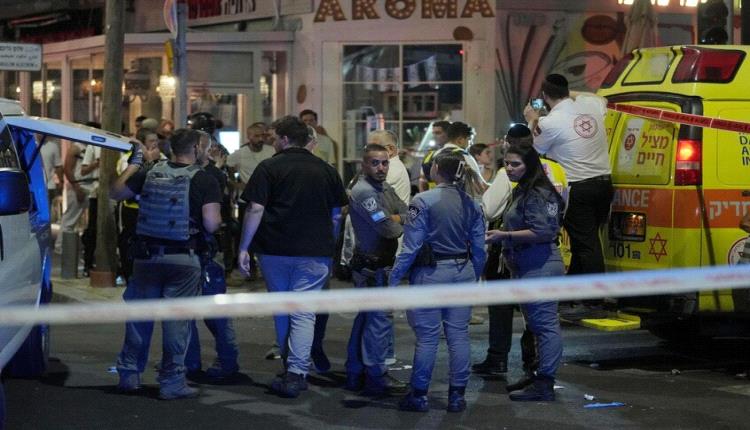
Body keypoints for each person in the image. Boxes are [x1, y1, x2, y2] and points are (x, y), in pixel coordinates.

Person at [237, 115, 347, 398]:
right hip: (315, 251)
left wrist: (244, 247)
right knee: (304, 312)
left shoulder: (268, 167)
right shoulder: (326, 170)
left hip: (275, 249)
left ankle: (291, 368)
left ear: (285, 139)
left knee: (282, 308)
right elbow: (337, 215)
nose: (272, 142)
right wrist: (330, 244)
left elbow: (255, 209)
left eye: (275, 138)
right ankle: (297, 370)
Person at [112, 128, 222, 400]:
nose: (207, 153)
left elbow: (115, 192)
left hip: (146, 257)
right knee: (177, 323)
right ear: (195, 148)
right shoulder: (204, 179)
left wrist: (135, 164)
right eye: (205, 148)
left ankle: (129, 375)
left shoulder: (150, 171)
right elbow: (211, 223)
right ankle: (172, 382)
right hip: (184, 258)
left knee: (139, 319)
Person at [389, 150, 486, 413]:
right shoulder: (472, 204)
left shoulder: (423, 201)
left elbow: (410, 247)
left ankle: (419, 395)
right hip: (463, 271)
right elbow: (480, 249)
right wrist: (473, 275)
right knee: (459, 335)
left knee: (428, 338)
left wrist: (394, 278)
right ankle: (457, 396)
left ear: (436, 170)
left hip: (431, 274)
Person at [485, 142, 566, 402]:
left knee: (545, 326)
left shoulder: (538, 193)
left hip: (539, 264)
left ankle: (545, 383)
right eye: (506, 163)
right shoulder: (524, 189)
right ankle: (537, 375)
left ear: (529, 165)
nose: (509, 168)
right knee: (535, 325)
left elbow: (542, 231)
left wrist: (504, 236)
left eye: (515, 164)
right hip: (526, 265)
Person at [524, 73, 612, 276]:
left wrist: (532, 120)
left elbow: (531, 150)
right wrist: (565, 92)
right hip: (604, 186)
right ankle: (574, 289)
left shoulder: (549, 122)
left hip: (578, 188)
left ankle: (595, 292)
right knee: (584, 242)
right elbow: (601, 99)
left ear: (544, 96)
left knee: (586, 245)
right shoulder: (591, 105)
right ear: (566, 91)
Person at [345, 143, 408, 396]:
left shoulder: (383, 187)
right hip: (372, 267)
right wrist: (397, 219)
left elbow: (407, 211)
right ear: (364, 165)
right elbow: (388, 229)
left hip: (376, 264)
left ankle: (356, 372)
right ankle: (376, 375)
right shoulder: (365, 192)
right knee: (378, 322)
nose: (381, 168)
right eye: (375, 163)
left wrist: (396, 217)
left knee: (367, 320)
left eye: (384, 163)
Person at [184, 113, 241, 380]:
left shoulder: (209, 175)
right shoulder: (205, 171)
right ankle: (192, 362)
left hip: (205, 248)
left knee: (211, 312)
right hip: (197, 247)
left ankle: (224, 361)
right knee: (193, 311)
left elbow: (214, 218)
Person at [227, 122, 275, 278]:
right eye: (256, 136)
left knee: (266, 232)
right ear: (249, 137)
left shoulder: (270, 151)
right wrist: (236, 184)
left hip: (268, 198)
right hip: (247, 199)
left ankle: (264, 265)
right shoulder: (240, 153)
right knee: (246, 232)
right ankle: (249, 267)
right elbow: (228, 167)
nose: (260, 139)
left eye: (262, 136)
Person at [80, 124, 101, 276]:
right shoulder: (93, 146)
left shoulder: (122, 146)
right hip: (96, 193)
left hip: (115, 194)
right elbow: (83, 170)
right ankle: (88, 264)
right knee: (93, 230)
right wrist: (97, 163)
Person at [418, 120, 451, 192]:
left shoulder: (456, 153)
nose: (435, 136)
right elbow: (422, 180)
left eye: (438, 133)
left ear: (448, 133)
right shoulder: (429, 155)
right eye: (434, 133)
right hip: (432, 194)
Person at [40, 137, 63, 223]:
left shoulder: (53, 146)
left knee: (47, 211)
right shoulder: (32, 145)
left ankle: (47, 226)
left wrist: (61, 181)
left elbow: (58, 166)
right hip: (36, 185)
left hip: (49, 185)